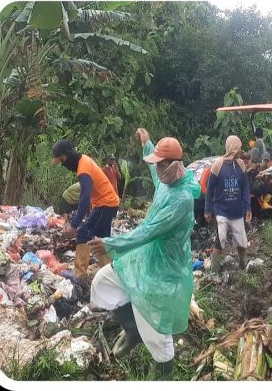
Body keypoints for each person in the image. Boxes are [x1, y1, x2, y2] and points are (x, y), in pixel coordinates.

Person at [87, 128, 200, 379]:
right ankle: (132, 329)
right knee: (102, 283)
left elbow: (150, 230)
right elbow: (154, 171)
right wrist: (148, 144)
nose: (157, 169)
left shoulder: (182, 199)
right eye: (157, 164)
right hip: (144, 257)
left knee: (157, 333)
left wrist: (111, 244)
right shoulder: (166, 181)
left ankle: (163, 375)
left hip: (165, 270)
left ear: (174, 165)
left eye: (161, 164)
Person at [51, 139, 119, 276]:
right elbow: (88, 198)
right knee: (102, 239)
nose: (63, 163)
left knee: (82, 234)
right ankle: (110, 273)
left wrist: (74, 224)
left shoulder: (83, 169)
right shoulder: (84, 161)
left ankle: (79, 275)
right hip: (108, 203)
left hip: (105, 204)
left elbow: (84, 198)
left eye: (63, 159)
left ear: (69, 154)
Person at [205, 135, 252, 273]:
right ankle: (214, 272)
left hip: (237, 212)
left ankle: (243, 267)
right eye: (239, 147)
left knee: (242, 242)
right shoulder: (218, 165)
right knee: (221, 239)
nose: (241, 150)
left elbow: (245, 188)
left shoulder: (241, 165)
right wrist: (208, 210)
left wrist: (248, 207)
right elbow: (210, 189)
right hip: (222, 211)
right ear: (233, 148)